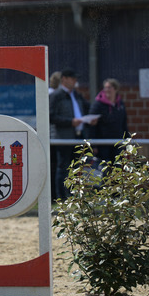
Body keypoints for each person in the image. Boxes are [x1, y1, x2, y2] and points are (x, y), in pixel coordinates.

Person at [50, 68, 93, 200]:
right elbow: (51, 117)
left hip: (78, 136)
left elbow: (88, 107)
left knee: (77, 168)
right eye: (72, 78)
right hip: (63, 137)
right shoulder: (56, 96)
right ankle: (61, 197)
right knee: (63, 168)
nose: (75, 81)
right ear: (64, 79)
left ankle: (74, 196)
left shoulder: (76, 95)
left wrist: (91, 117)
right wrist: (70, 122)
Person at [90, 78, 129, 162]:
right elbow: (92, 126)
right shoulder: (98, 105)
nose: (107, 90)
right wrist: (93, 145)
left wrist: (127, 140)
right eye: (105, 88)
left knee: (118, 166)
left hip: (118, 142)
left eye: (109, 87)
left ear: (115, 89)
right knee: (105, 168)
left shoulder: (120, 104)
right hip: (103, 143)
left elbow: (123, 124)